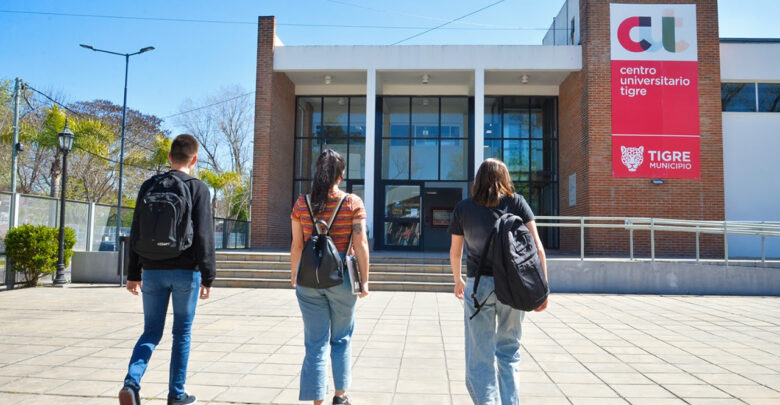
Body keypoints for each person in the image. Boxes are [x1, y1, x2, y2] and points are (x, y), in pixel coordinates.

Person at [119, 134, 216, 405]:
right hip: (186, 272)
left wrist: (133, 274)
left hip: (151, 269)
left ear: (169, 158)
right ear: (194, 160)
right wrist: (208, 276)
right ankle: (176, 395)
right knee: (181, 333)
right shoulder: (198, 188)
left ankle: (131, 382)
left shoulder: (149, 185)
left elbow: (136, 230)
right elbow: (205, 236)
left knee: (151, 331)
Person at [448, 158, 549, 405]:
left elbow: (455, 252)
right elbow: (537, 247)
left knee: (479, 355)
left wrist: (458, 279)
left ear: (478, 179)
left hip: (478, 287)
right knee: (509, 350)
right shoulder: (517, 203)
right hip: (514, 285)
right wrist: (542, 289)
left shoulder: (463, 208)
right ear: (504, 178)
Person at [290, 149, 370, 405]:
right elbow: (361, 244)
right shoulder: (352, 202)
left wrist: (294, 277)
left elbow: (296, 245)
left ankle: (317, 401)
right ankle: (340, 395)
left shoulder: (302, 203)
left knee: (315, 342)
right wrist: (365, 281)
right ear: (341, 174)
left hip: (308, 280)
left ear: (318, 172)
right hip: (342, 280)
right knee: (342, 337)